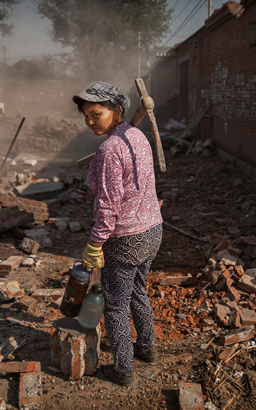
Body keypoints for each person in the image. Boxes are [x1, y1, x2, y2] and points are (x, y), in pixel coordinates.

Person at [72, 81, 163, 386]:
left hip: (125, 238)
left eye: (96, 114)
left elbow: (108, 206)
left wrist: (94, 244)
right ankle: (147, 348)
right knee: (138, 291)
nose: (89, 121)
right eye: (86, 115)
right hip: (152, 230)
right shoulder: (136, 135)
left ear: (116, 110)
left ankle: (123, 368)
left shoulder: (110, 149)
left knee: (114, 305)